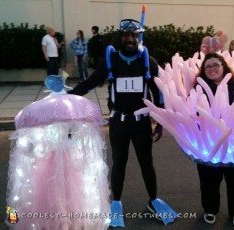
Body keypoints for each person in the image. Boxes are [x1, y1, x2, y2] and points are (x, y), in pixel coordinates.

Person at [68, 18, 176, 227]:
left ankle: (154, 200)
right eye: (125, 35)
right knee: (119, 163)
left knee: (147, 164)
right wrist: (68, 96)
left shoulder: (148, 61)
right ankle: (116, 203)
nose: (129, 39)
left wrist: (160, 122)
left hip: (141, 123)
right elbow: (91, 83)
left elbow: (159, 93)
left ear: (139, 37)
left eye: (133, 35)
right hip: (119, 122)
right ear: (120, 37)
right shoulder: (112, 60)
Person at [196, 52, 234, 229]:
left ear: (224, 67)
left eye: (216, 65)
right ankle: (210, 209)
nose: (212, 69)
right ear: (203, 71)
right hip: (209, 145)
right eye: (208, 67)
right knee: (208, 181)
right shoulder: (199, 88)